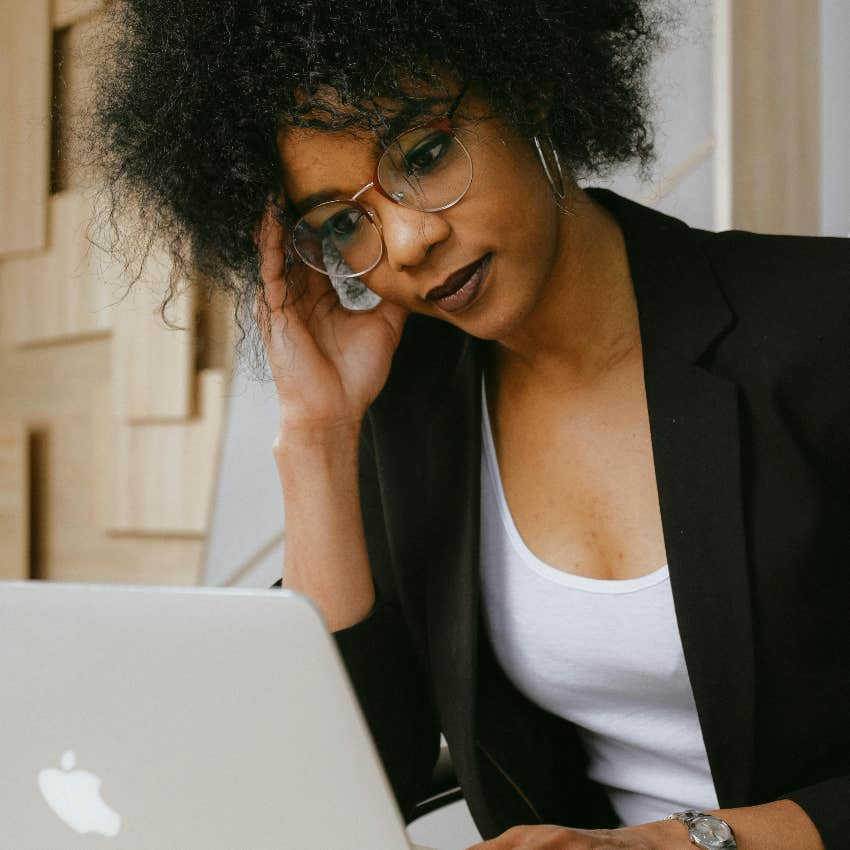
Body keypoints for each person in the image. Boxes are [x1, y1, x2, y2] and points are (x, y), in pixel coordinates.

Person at [82, 2, 848, 848]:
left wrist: (682, 843)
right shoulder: (416, 406)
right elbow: (357, 771)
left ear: (533, 88)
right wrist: (318, 435)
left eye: (427, 153)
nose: (406, 240)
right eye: (344, 222)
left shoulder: (823, 324)